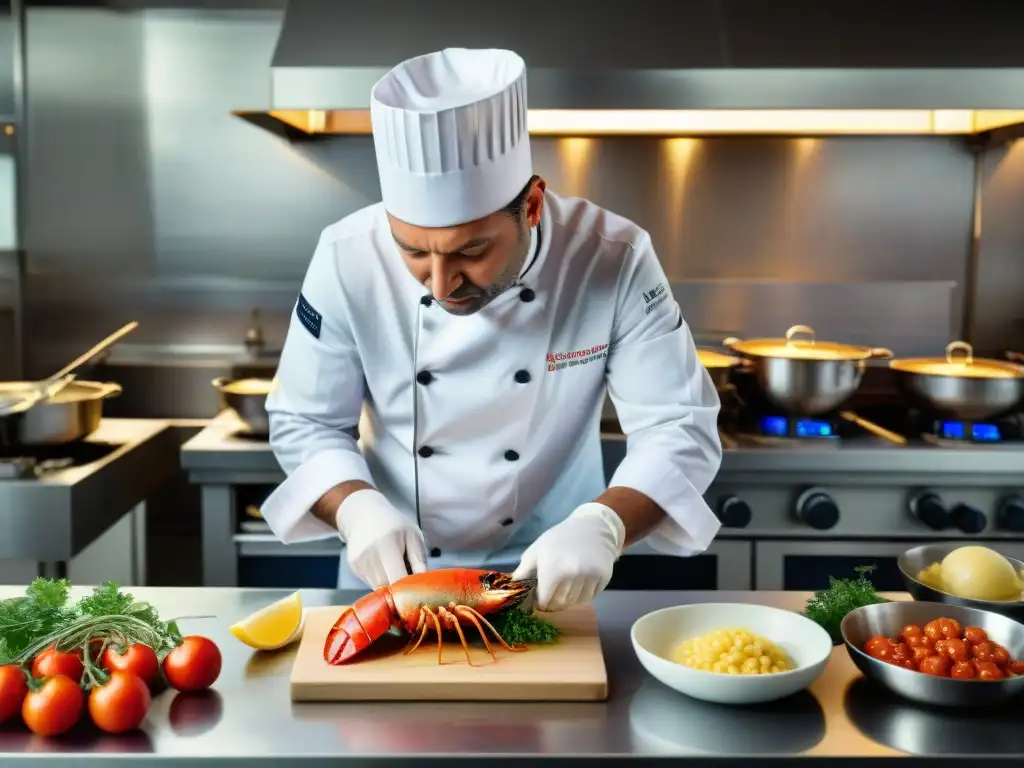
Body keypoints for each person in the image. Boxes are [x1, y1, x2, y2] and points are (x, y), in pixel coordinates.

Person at [260, 47, 723, 611]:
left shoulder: (613, 258)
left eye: (471, 250)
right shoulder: (345, 256)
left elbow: (678, 425)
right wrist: (357, 509)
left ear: (530, 205)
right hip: (391, 573)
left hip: (552, 575)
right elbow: (305, 420)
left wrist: (604, 525)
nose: (440, 283)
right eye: (413, 252)